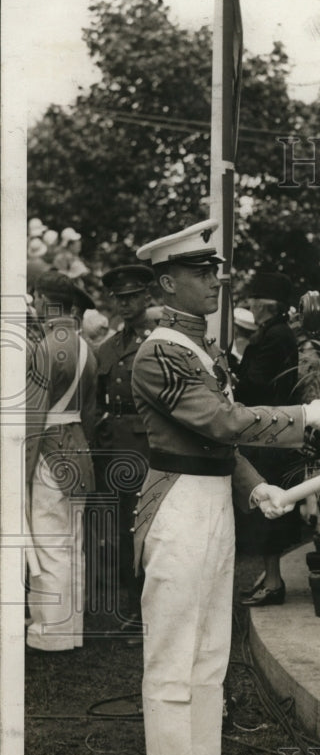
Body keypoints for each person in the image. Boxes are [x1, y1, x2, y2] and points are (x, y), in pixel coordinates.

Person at [131, 219, 320, 755]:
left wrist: (257, 489)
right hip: (175, 505)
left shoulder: (202, 347)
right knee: (173, 649)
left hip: (215, 500)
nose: (215, 283)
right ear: (167, 283)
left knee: (210, 651)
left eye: (215, 272)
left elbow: (223, 447)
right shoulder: (160, 351)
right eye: (201, 274)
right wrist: (306, 414)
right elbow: (221, 425)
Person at [26, 271, 98, 652]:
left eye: (35, 298)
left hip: (50, 451)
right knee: (73, 544)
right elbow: (89, 411)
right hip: (79, 449)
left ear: (42, 300)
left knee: (50, 543)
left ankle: (49, 633)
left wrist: (21, 473)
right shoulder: (87, 347)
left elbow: (35, 415)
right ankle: (71, 629)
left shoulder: (44, 346)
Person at [90, 264, 157, 643]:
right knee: (122, 527)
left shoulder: (158, 340)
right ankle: (134, 606)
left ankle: (149, 609)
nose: (126, 303)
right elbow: (100, 397)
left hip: (146, 444)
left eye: (132, 296)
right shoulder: (110, 346)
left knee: (144, 527)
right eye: (120, 298)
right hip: (115, 445)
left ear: (148, 298)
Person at [234, 271, 302, 607]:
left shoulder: (274, 336)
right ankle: (270, 577)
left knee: (268, 512)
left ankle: (273, 582)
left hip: (268, 434)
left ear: (265, 304)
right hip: (274, 431)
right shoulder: (277, 333)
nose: (249, 305)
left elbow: (256, 384)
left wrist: (234, 375)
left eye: (253, 300)